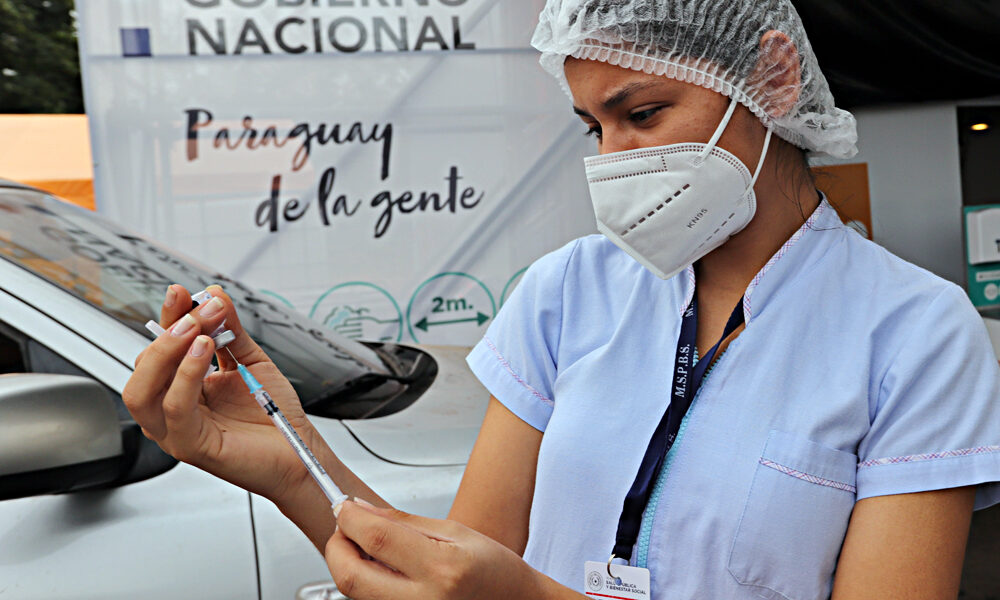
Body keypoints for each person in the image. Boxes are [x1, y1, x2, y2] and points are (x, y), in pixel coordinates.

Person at [123, 0, 1000, 598]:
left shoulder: (915, 334)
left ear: (772, 77)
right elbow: (457, 566)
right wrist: (288, 457)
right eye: (593, 128)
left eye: (643, 113)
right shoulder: (569, 292)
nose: (613, 159)